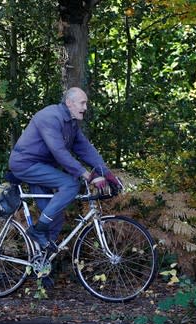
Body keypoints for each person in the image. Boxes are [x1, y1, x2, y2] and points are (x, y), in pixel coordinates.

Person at [8, 87, 121, 252]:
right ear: (69, 103)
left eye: (86, 103)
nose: (85, 107)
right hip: (26, 164)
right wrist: (88, 176)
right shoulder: (50, 117)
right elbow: (59, 152)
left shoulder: (71, 122)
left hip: (43, 168)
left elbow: (85, 148)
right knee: (70, 184)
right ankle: (38, 231)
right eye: (82, 103)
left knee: (55, 217)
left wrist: (107, 174)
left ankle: (42, 265)